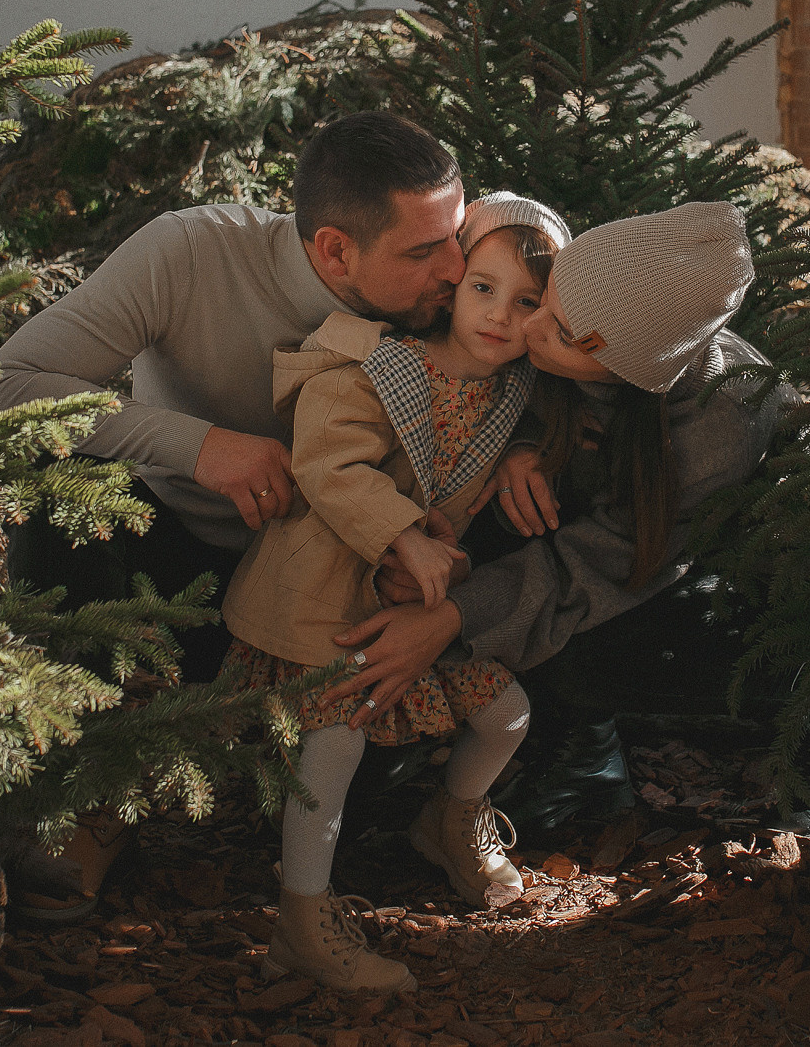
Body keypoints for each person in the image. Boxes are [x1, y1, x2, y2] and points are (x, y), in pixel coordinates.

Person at [0, 110, 471, 920]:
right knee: (53, 466)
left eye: (458, 233)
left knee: (355, 817)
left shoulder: (459, 294)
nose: (455, 266)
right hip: (175, 551)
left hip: (340, 593)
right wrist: (196, 445)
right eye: (422, 251)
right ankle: (74, 790)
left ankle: (437, 803)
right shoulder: (193, 253)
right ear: (335, 248)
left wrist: (457, 609)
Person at [328, 203, 796, 820]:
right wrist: (527, 445)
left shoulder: (722, 420)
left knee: (606, 636)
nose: (528, 327)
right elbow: (500, 221)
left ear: (630, 369)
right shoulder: (575, 319)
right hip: (596, 548)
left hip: (710, 586)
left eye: (563, 330)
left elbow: (610, 564)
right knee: (511, 519)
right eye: (544, 298)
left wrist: (453, 619)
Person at [220, 194, 570, 992]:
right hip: (324, 588)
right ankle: (300, 919)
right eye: (482, 288)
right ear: (453, 283)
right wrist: (402, 533)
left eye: (525, 304)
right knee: (335, 740)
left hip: (414, 605)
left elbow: (520, 441)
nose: (497, 315)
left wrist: (523, 456)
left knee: (506, 713)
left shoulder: (516, 396)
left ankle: (450, 821)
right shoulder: (379, 364)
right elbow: (327, 463)